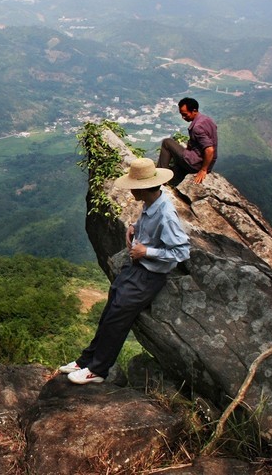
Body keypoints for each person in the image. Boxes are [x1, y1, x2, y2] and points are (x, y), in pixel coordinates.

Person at [61, 158, 190, 384]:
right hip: (136, 269)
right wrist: (134, 227)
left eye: (133, 185)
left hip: (150, 276)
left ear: (143, 187)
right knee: (109, 312)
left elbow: (181, 252)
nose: (130, 189)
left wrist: (146, 252)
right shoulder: (152, 203)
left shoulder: (166, 214)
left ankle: (98, 370)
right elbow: (146, 225)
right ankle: (85, 360)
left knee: (117, 319)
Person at [156, 97, 217, 184]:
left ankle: (159, 177)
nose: (183, 117)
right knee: (180, 154)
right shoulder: (207, 120)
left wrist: (203, 169)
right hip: (207, 164)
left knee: (167, 142)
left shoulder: (197, 127)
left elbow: (209, 149)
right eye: (181, 114)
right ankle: (173, 181)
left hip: (196, 164)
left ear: (194, 111)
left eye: (185, 114)